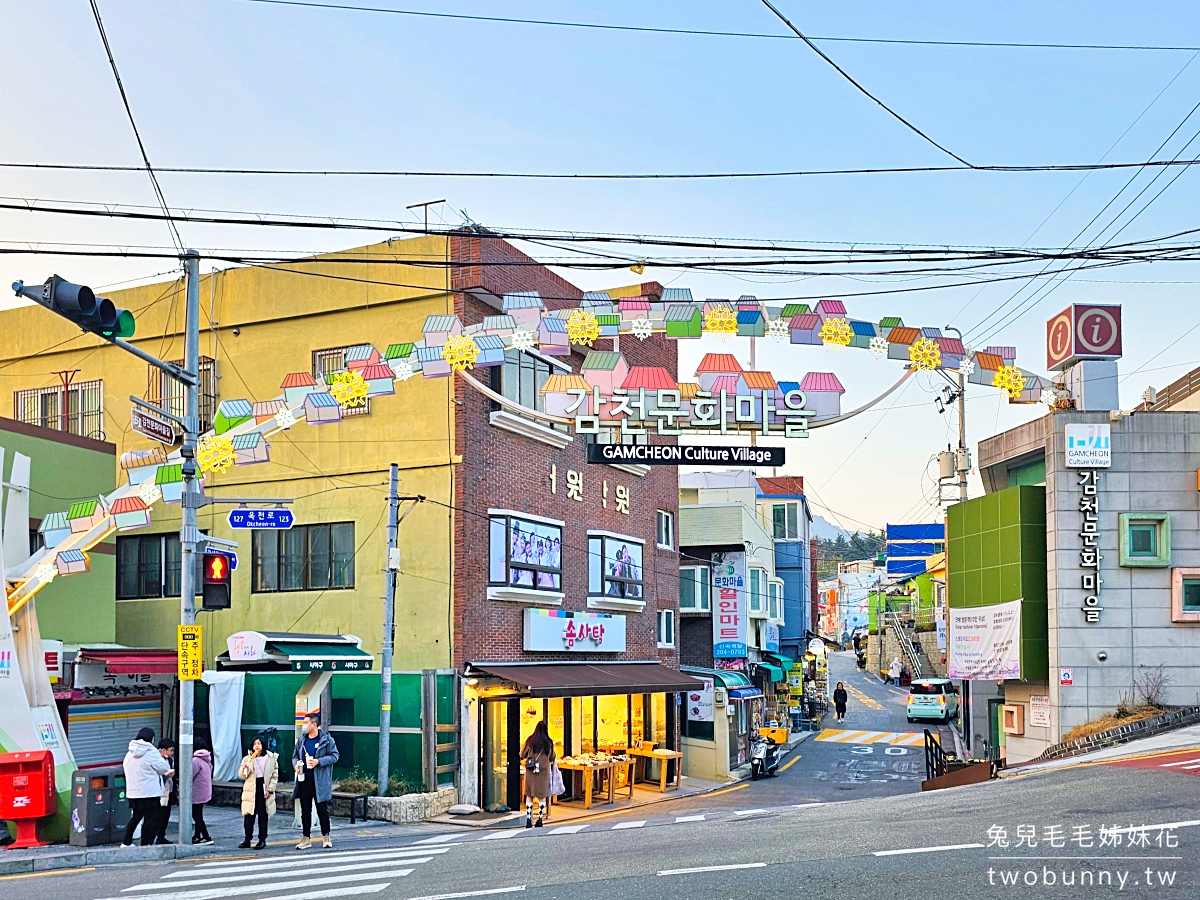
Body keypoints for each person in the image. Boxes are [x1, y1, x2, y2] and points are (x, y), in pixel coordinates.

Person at [292, 713, 339, 850]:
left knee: (322, 809)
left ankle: (326, 837)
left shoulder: (326, 740)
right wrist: (296, 765)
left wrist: (318, 761)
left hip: (320, 781)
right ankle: (306, 838)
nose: (303, 725)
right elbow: (294, 756)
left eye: (306, 722)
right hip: (304, 779)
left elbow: (335, 756)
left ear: (314, 724)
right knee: (305, 810)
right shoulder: (302, 740)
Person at [121, 727, 173, 847]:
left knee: (136, 817)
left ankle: (126, 842)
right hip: (150, 792)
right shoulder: (151, 752)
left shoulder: (130, 753)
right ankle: (146, 844)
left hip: (133, 792)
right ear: (151, 739)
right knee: (151, 819)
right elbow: (164, 767)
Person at [238, 735, 278, 849]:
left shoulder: (271, 758)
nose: (257, 746)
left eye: (259, 743)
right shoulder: (247, 758)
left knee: (262, 815)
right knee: (248, 815)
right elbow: (242, 775)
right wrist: (247, 765)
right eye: (255, 744)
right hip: (251, 787)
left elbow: (274, 776)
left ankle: (262, 839)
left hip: (263, 786)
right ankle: (247, 839)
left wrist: (270, 790)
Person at [520, 720, 555, 829]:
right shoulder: (549, 742)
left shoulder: (530, 740)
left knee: (529, 795)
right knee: (542, 796)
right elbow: (552, 757)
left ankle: (529, 819)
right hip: (543, 772)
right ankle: (540, 819)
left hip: (531, 771)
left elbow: (522, 753)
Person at [191, 736, 214, 844]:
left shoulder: (196, 760)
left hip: (197, 791)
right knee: (198, 813)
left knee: (196, 815)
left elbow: (189, 775)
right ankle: (196, 836)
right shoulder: (207, 759)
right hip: (204, 791)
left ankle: (206, 836)